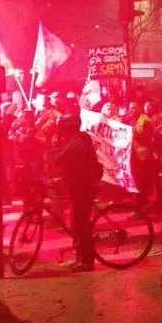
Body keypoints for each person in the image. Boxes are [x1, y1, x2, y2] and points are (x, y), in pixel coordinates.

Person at [53, 114, 103, 272]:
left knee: (82, 224)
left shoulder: (77, 142)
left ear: (69, 128)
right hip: (80, 186)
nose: (61, 133)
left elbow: (58, 159)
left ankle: (88, 261)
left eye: (62, 129)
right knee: (78, 223)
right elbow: (74, 165)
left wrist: (55, 146)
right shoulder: (79, 140)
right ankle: (80, 256)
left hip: (83, 188)